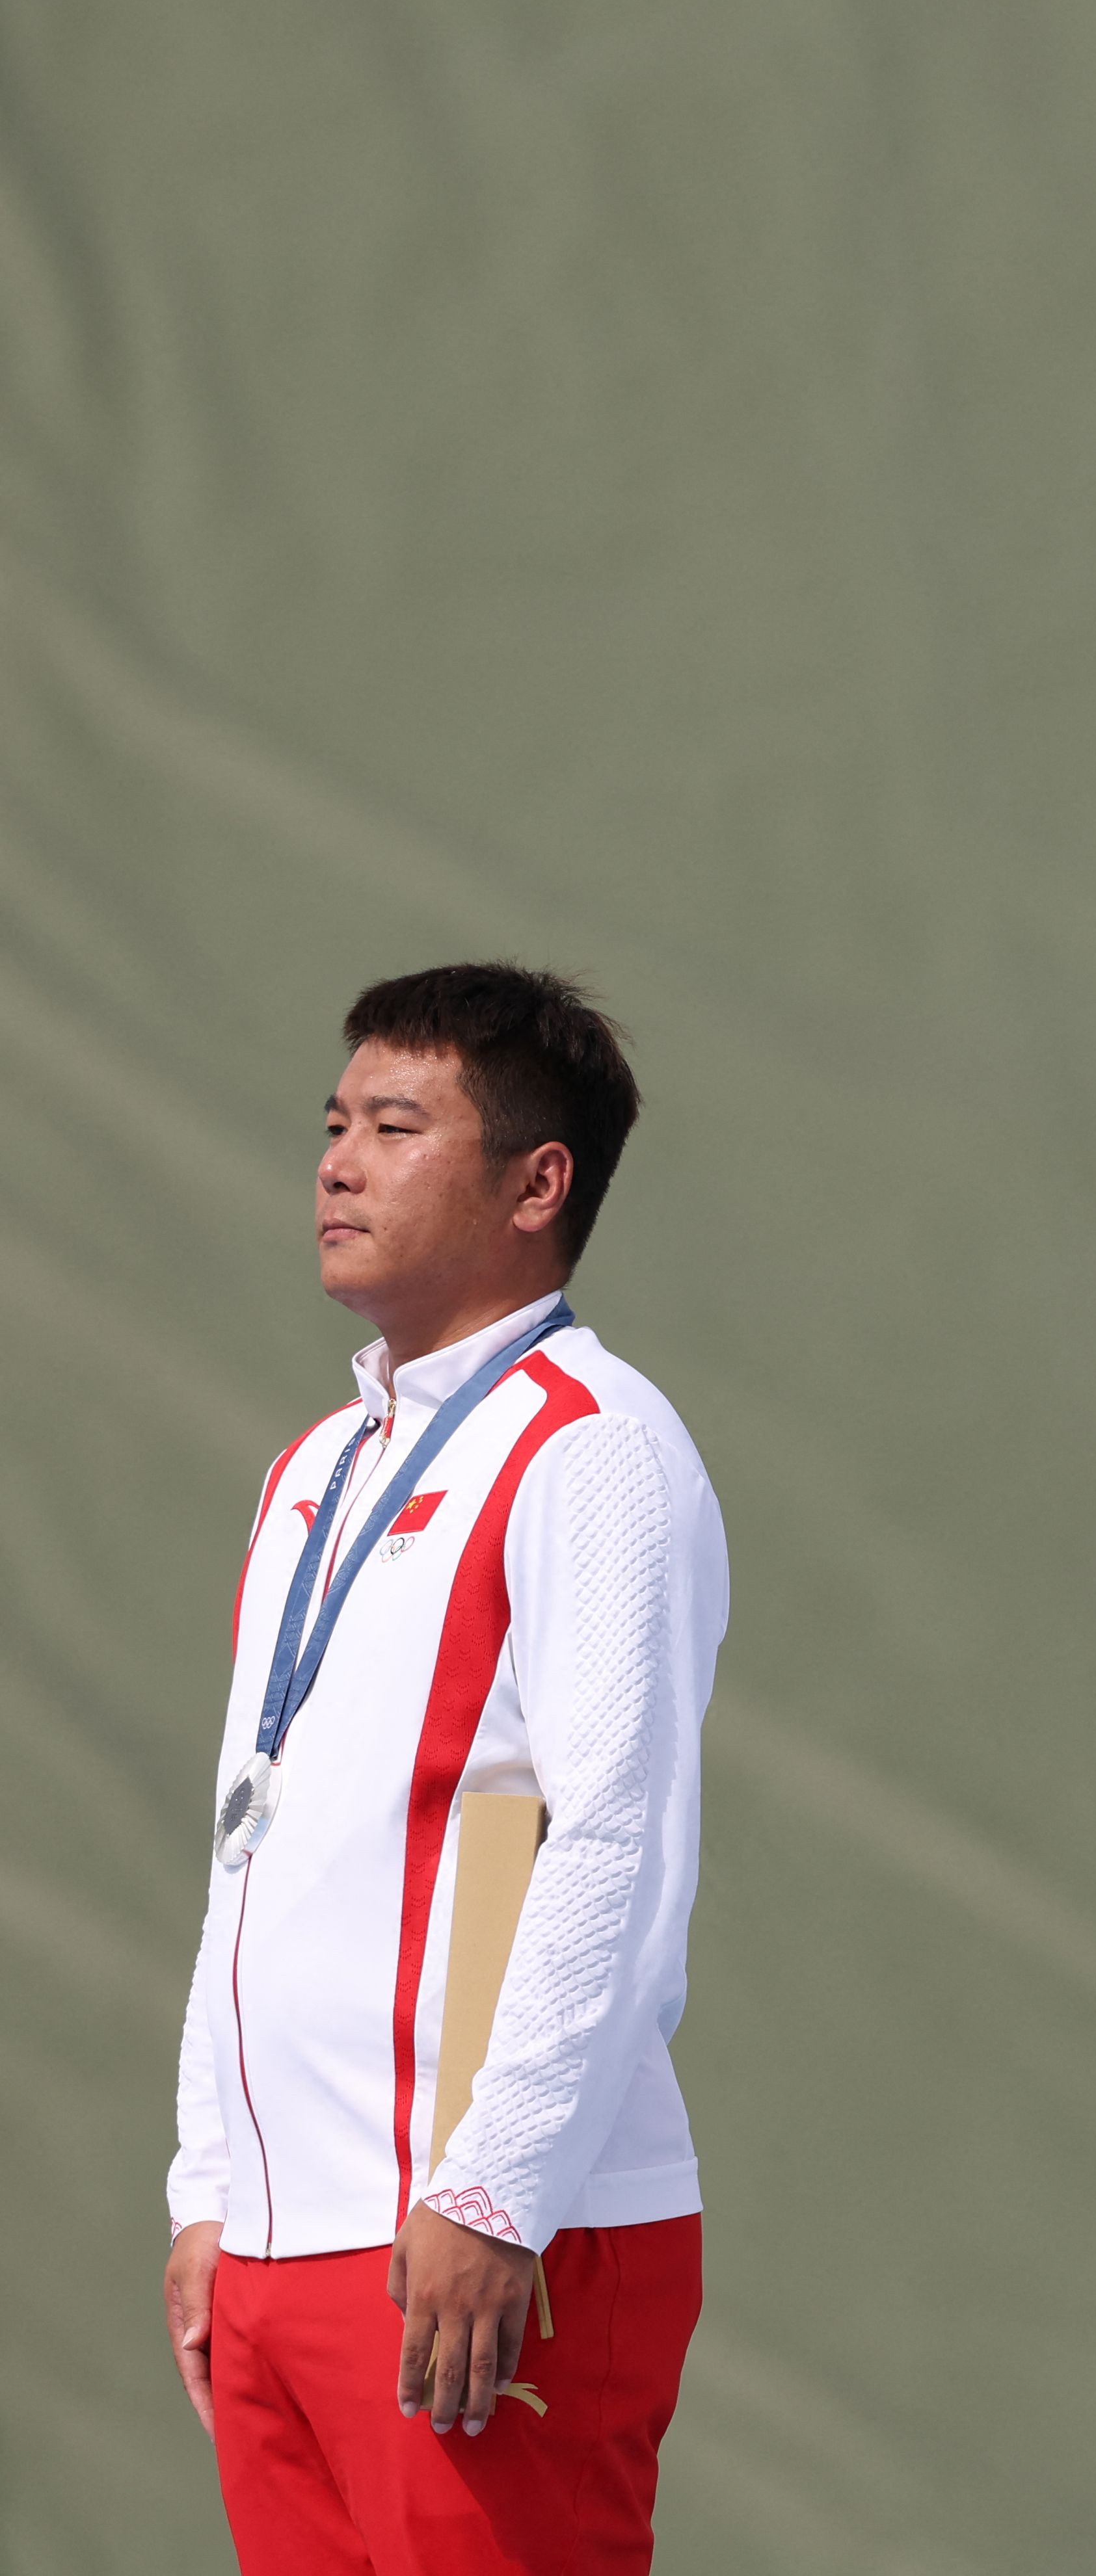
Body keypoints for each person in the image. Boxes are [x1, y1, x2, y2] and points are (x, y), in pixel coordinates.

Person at [162, 964, 728, 2575]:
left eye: (397, 1126)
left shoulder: (590, 1442)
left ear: (538, 1183)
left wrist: (492, 2194)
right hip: (287, 2244)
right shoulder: (313, 1469)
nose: (337, 1160)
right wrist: (213, 2192)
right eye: (333, 1122)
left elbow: (615, 1840)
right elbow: (248, 1845)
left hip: (479, 2238)